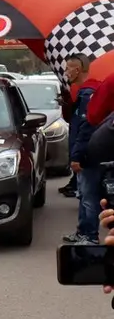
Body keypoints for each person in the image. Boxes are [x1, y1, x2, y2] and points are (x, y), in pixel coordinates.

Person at [62, 54, 102, 244]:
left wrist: (77, 155)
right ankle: (82, 231)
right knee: (84, 194)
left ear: (77, 70)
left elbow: (85, 129)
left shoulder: (87, 94)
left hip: (88, 154)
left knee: (89, 196)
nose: (66, 72)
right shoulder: (85, 92)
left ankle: (90, 236)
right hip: (87, 151)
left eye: (68, 68)